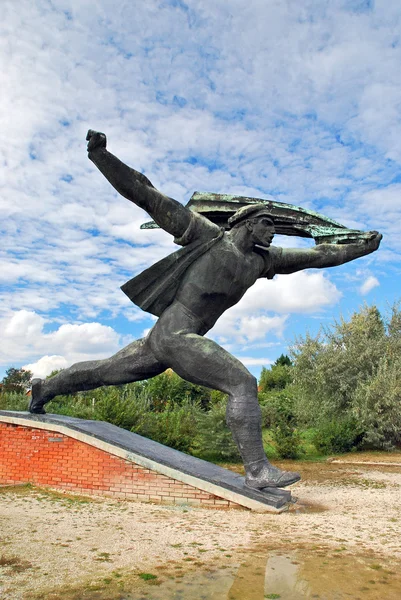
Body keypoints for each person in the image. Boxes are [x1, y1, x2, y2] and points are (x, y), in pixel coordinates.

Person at [29, 130, 382, 490]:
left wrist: (361, 248)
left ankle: (44, 388)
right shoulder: (206, 235)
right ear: (246, 223)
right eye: (267, 224)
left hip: (164, 339)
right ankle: (258, 470)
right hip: (177, 334)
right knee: (242, 383)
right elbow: (146, 195)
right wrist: (101, 156)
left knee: (103, 372)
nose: (274, 233)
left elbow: (319, 256)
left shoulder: (262, 261)